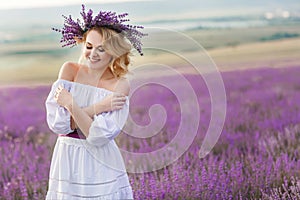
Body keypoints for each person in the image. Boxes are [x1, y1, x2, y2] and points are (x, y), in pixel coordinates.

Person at [45, 5, 146, 199]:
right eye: (89, 47)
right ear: (82, 44)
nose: (93, 54)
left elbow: (96, 137)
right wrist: (99, 107)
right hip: (66, 158)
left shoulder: (119, 85)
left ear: (114, 52)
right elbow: (59, 125)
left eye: (102, 49)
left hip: (101, 163)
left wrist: (71, 104)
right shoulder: (69, 71)